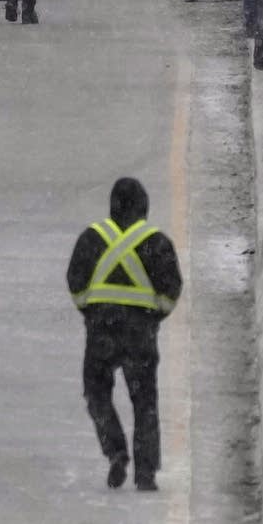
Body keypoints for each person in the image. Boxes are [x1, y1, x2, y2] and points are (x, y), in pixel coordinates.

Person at [67, 177, 182, 492]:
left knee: (97, 393)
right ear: (144, 207)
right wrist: (153, 316)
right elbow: (171, 289)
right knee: (145, 401)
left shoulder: (92, 238)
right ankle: (146, 473)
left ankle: (115, 449)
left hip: (101, 329)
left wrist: (91, 313)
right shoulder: (156, 242)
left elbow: (76, 282)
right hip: (140, 333)